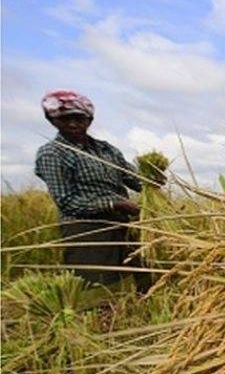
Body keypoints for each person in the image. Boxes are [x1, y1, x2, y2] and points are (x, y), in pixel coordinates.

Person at [34, 90, 151, 290]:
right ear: (53, 121)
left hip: (122, 225)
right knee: (97, 289)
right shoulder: (52, 153)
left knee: (141, 282)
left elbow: (133, 178)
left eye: (79, 118)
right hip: (86, 229)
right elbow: (67, 202)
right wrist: (116, 203)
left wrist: (151, 180)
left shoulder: (106, 150)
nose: (73, 123)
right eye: (65, 119)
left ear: (89, 119)